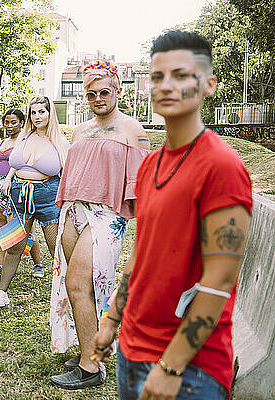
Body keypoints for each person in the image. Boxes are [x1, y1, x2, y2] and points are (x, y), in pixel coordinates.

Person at [92, 30, 252, 400]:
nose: (166, 85)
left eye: (181, 75)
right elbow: (139, 256)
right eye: (158, 76)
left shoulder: (221, 166)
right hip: (132, 348)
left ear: (208, 83)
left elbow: (219, 280)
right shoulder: (149, 166)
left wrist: (171, 366)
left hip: (190, 367)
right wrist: (111, 321)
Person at [48, 60, 150, 390]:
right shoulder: (80, 129)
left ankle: (90, 368)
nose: (97, 98)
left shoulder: (132, 129)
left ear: (118, 91)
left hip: (106, 216)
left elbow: (144, 183)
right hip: (74, 212)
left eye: (104, 91)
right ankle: (88, 350)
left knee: (80, 283)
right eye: (90, 94)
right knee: (77, 286)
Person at [0, 96, 70, 307]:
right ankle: (1, 292)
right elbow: (16, 163)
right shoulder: (24, 137)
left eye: (41, 112)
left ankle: (67, 291)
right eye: (33, 112)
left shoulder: (59, 142)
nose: (37, 116)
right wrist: (8, 179)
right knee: (15, 245)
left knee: (55, 245)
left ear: (50, 113)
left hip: (47, 196)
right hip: (19, 195)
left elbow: (67, 173)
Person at [0, 108, 44, 278]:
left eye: (14, 122)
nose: (9, 126)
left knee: (22, 227)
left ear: (21, 123)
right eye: (6, 122)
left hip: (15, 185)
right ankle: (0, 264)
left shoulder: (25, 140)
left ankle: (38, 264)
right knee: (1, 225)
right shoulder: (4, 141)